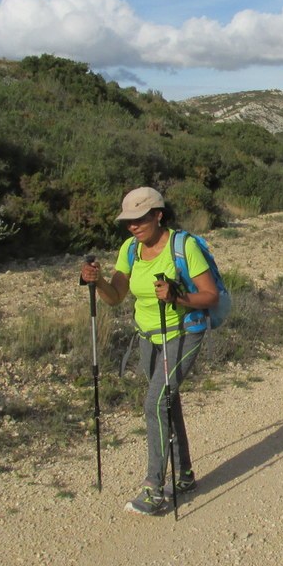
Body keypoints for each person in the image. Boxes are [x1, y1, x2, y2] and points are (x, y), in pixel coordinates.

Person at [80, 187, 219, 516]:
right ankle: (184, 475)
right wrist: (97, 281)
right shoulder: (130, 248)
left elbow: (210, 295)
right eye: (128, 220)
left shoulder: (182, 246)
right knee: (166, 402)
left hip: (184, 332)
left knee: (155, 402)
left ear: (158, 214)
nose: (133, 226)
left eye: (139, 218)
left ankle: (154, 488)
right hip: (148, 335)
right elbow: (115, 296)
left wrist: (177, 298)